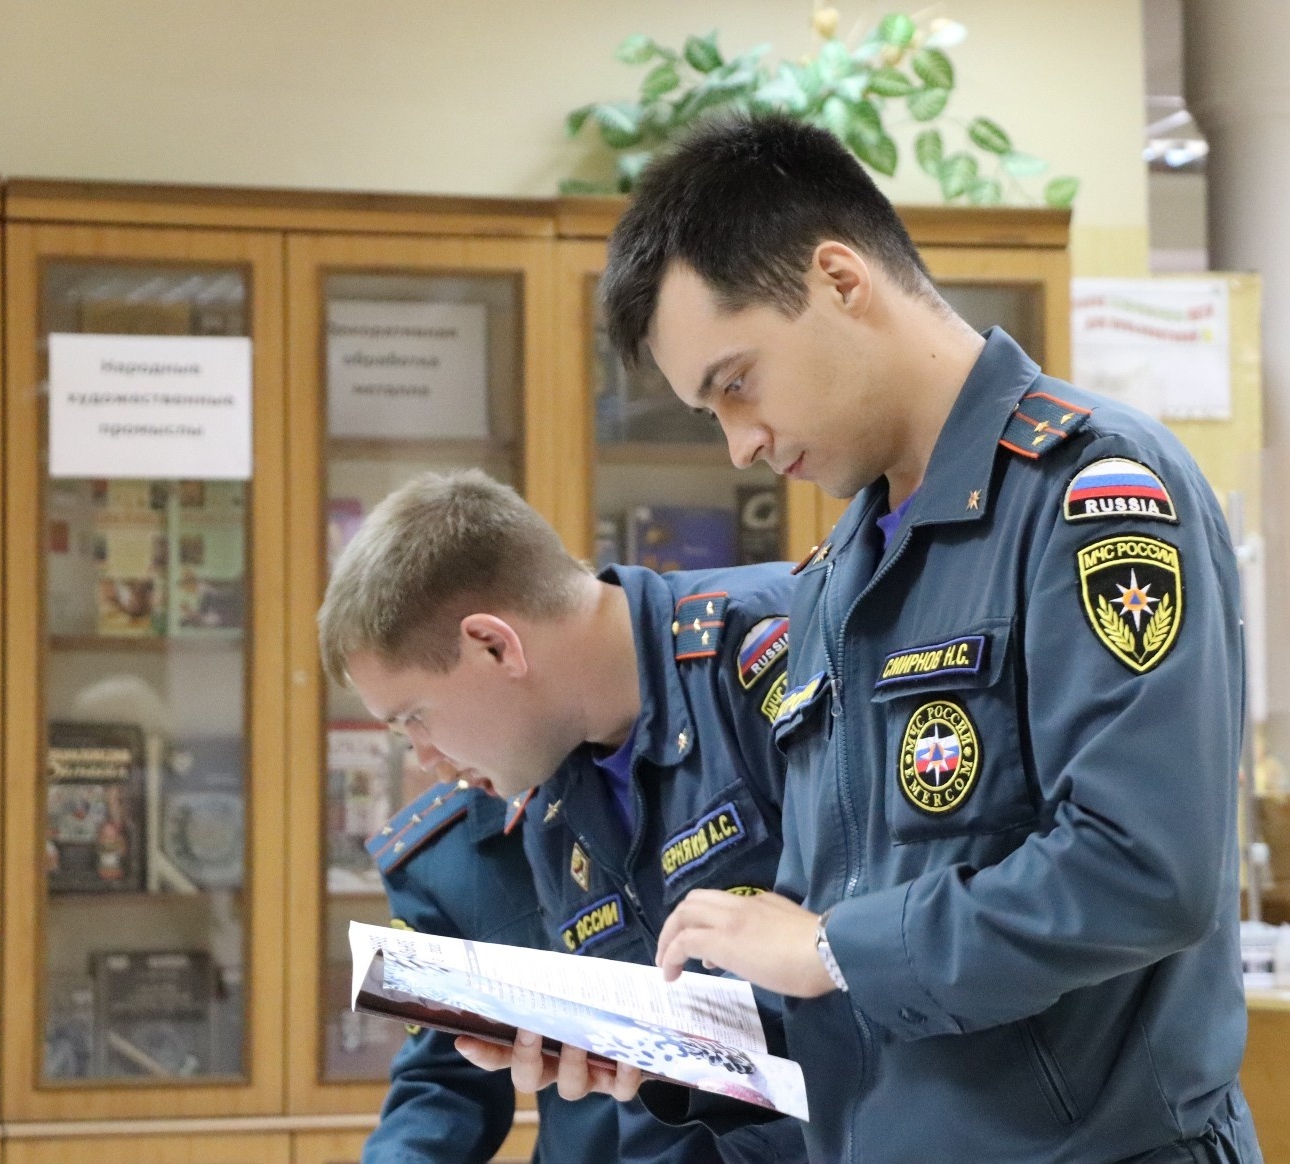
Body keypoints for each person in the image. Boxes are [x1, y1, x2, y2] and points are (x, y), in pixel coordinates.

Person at [534, 111, 1255, 1162]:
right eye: (710, 412)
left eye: (737, 382)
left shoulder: (1092, 494)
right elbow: (843, 964)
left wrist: (828, 948)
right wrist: (667, 1057)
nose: (741, 444)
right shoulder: (839, 578)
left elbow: (1140, 869)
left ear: (839, 279)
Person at [318, 468, 807, 1162]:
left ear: (494, 645)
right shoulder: (548, 776)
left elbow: (890, 957)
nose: (421, 758)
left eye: (414, 719)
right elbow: (650, 1108)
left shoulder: (781, 644)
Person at [361, 773, 618, 1163]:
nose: (427, 757)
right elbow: (447, 1078)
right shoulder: (443, 855)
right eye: (399, 730)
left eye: (419, 713)